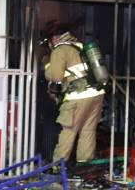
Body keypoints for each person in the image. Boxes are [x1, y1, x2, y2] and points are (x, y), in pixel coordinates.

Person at [42, 20, 105, 166]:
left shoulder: (60, 50)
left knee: (68, 131)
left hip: (77, 97)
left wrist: (47, 67)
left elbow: (56, 77)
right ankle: (84, 166)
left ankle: (58, 166)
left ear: (54, 38)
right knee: (88, 131)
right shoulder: (80, 46)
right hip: (96, 94)